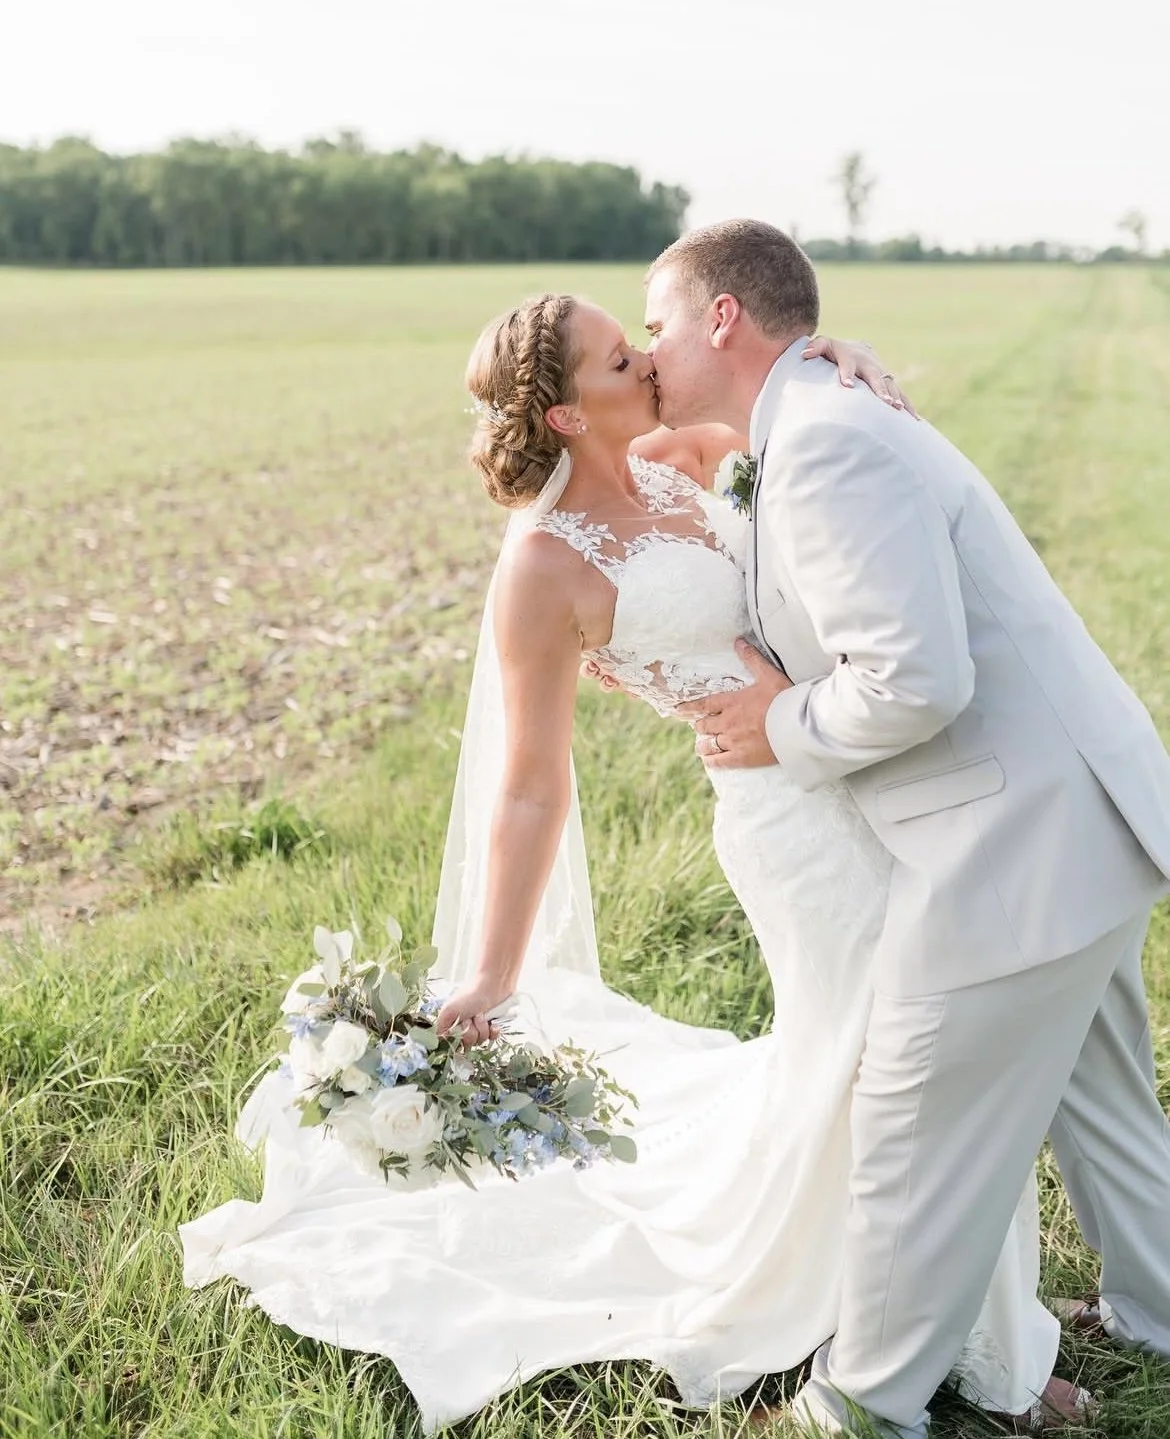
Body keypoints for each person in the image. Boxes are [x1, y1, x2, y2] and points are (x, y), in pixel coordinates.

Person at [181, 302, 1068, 1434]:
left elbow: (810, 465)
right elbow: (528, 781)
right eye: (618, 356)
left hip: (871, 776)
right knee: (906, 1055)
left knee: (909, 1051)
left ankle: (933, 1315)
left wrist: (844, 360)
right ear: (564, 410)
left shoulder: (675, 460)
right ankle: (992, 1358)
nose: (649, 358)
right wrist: (494, 973)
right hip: (788, 823)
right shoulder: (542, 570)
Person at [642, 219, 1170, 1437]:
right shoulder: (815, 416)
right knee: (1097, 1096)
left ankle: (862, 1402)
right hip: (1080, 815)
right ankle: (1156, 1304)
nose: (650, 346)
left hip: (1020, 838)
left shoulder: (825, 441)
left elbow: (917, 679)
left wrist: (782, 726)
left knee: (907, 1116)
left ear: (724, 316)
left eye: (659, 321)